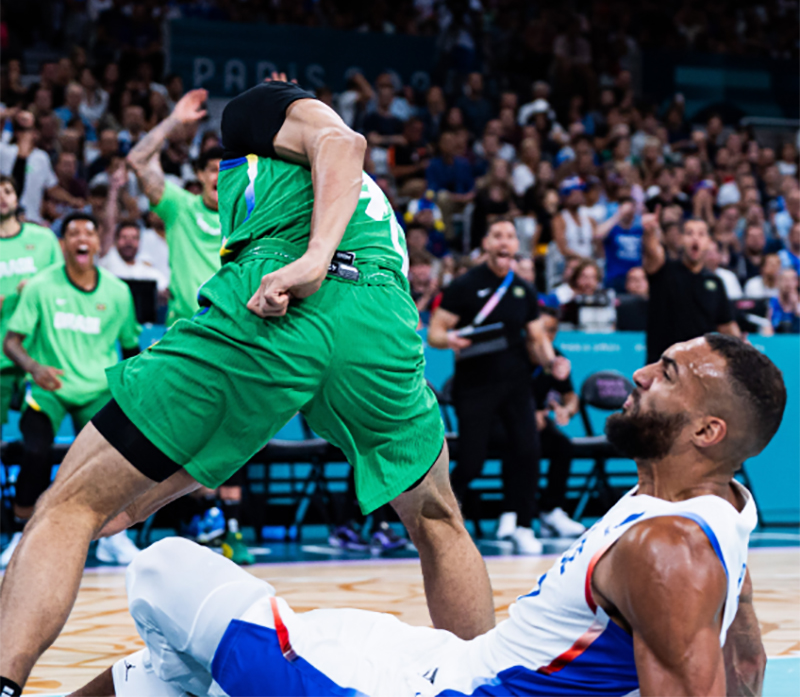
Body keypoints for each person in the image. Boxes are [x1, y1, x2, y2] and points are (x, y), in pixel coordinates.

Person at [0, 79, 495, 693]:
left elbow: (344, 139)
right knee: (439, 521)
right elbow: (247, 423)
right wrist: (146, 497)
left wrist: (313, 260)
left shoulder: (262, 108)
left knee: (69, 505)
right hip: (381, 322)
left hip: (281, 296)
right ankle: (486, 686)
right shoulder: (356, 205)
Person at [72, 334, 783, 697]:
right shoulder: (724, 507)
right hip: (444, 663)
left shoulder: (668, 549)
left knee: (162, 569)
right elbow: (746, 656)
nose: (640, 375)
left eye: (667, 375)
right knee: (171, 663)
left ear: (707, 433)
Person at [1, 212, 141, 569]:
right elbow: (12, 342)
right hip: (49, 388)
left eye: (89, 232)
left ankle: (115, 537)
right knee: (34, 451)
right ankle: (21, 533)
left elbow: (130, 350)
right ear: (62, 245)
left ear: (97, 244)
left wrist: (131, 393)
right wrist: (34, 367)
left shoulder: (118, 291)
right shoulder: (40, 286)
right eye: (73, 233)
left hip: (96, 388)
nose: (81, 238)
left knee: (118, 457)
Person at [428, 219, 565, 555]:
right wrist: (450, 339)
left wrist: (552, 363)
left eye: (510, 237)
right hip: (474, 386)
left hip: (516, 384)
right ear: (486, 243)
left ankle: (523, 524)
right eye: (498, 236)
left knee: (528, 451)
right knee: (472, 460)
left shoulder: (524, 289)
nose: (505, 243)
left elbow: (536, 335)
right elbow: (434, 333)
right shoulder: (463, 285)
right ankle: (438, 519)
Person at [126, 97, 223, 324]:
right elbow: (138, 159)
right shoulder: (180, 206)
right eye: (211, 170)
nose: (218, 176)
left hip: (226, 332)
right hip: (183, 328)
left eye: (225, 170)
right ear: (199, 175)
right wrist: (174, 120)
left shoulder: (244, 216)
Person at [0, 176, 61, 428]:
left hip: (39, 356)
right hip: (1, 361)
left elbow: (64, 289)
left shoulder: (44, 239)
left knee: (37, 442)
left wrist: (37, 290)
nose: (2, 197)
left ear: (17, 198)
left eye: (7, 191)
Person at [642, 208, 740, 364]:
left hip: (697, 368)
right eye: (689, 233)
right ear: (681, 239)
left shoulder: (715, 282)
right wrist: (649, 232)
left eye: (701, 234)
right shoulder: (663, 270)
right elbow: (653, 253)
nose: (695, 238)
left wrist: (742, 347)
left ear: (708, 242)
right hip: (662, 365)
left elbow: (726, 325)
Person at [528, 306, 585, 537]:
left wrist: (566, 410)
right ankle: (512, 515)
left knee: (562, 445)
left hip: (539, 423)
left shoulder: (557, 359)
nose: (547, 336)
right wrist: (527, 414)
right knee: (523, 445)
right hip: (504, 421)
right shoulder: (515, 355)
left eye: (552, 330)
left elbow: (571, 396)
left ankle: (551, 510)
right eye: (542, 330)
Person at [593, 192, 642, 293]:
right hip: (615, 279)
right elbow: (597, 235)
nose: (628, 212)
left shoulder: (639, 230)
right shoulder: (613, 230)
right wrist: (618, 215)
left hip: (636, 279)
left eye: (632, 208)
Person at [768, 268, 800, 334]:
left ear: (797, 282)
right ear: (778, 282)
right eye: (785, 280)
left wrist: (796, 304)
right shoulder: (774, 301)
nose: (788, 283)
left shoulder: (798, 302)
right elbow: (769, 325)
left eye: (792, 280)